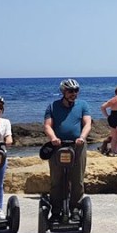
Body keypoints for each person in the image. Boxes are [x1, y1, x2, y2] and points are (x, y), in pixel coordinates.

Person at [44, 79, 92, 220]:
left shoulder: (83, 105)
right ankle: (57, 210)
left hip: (77, 146)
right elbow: (47, 125)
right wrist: (53, 137)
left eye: (76, 91)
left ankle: (75, 209)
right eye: (70, 91)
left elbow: (87, 123)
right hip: (57, 146)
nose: (73, 94)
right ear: (63, 92)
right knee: (57, 179)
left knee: (77, 179)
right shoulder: (53, 106)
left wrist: (82, 137)